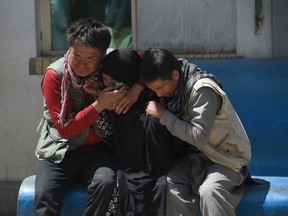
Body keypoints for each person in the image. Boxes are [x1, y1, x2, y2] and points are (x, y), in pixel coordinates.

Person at [34, 18, 142, 216]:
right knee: (44, 194)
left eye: (90, 59)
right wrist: (100, 104)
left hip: (98, 150)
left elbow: (147, 60)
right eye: (76, 55)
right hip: (60, 151)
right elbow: (65, 130)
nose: (81, 64)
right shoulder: (55, 75)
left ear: (103, 56)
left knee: (106, 182)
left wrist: (136, 89)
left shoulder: (110, 63)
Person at [139, 48, 252, 216]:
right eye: (154, 89)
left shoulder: (202, 89)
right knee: (170, 183)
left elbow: (199, 137)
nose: (159, 93)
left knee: (211, 192)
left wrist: (163, 115)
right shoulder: (173, 84)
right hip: (194, 159)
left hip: (225, 158)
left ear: (175, 74)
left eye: (160, 88)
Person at [92, 49, 182, 215]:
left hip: (156, 169)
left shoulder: (156, 98)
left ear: (128, 76)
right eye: (105, 78)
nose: (109, 84)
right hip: (123, 169)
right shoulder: (106, 99)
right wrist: (101, 104)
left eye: (115, 78)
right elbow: (107, 136)